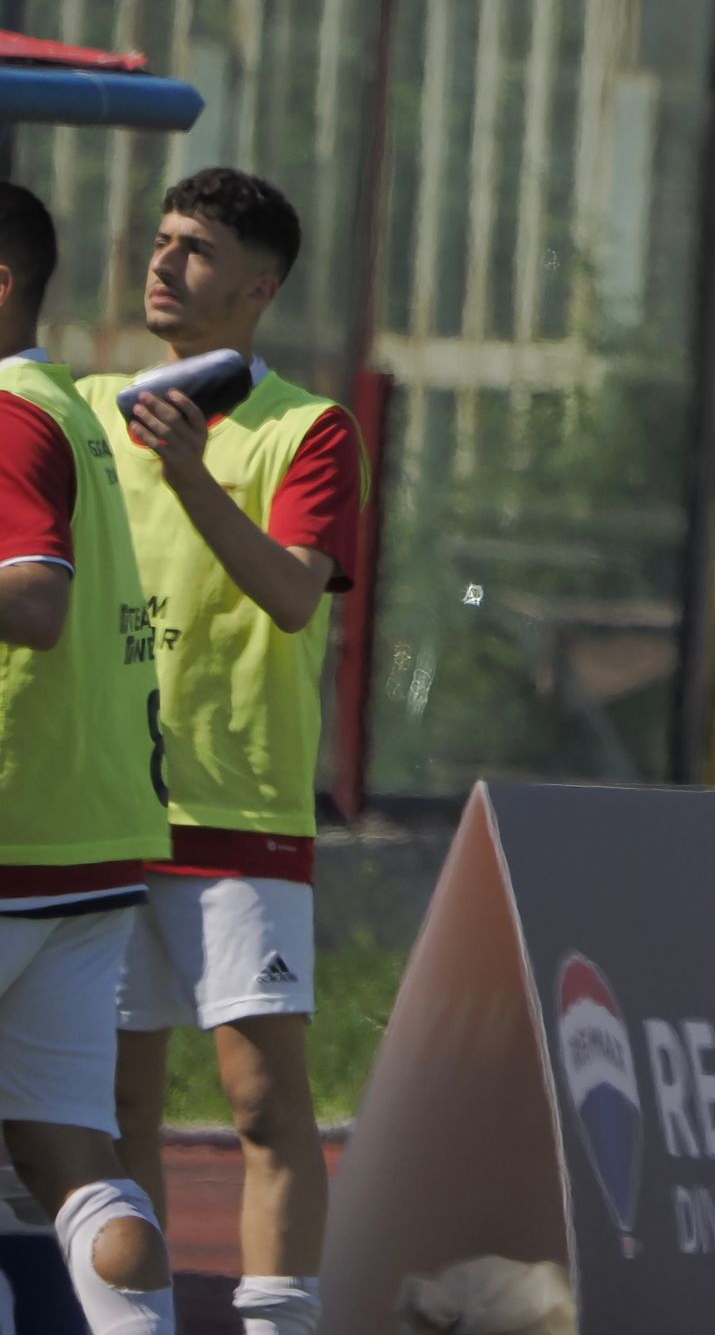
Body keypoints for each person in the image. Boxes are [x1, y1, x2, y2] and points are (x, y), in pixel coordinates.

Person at [83, 168, 364, 1335]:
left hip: (237, 811)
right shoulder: (83, 408)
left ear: (260, 286)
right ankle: (127, 1319)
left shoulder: (306, 426)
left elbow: (293, 596)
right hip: (99, 811)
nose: (163, 262)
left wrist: (190, 472)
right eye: (160, 239)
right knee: (112, 1107)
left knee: (262, 1102)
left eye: (194, 248)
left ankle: (278, 1323)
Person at [0, 179, 176, 1332]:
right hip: (90, 842)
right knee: (68, 1147)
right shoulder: (67, 407)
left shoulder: (7, 413)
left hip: (13, 829)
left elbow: (35, 597)